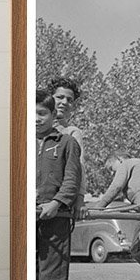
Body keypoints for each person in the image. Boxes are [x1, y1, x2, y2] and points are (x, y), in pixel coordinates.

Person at [34, 91, 81, 280]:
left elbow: (72, 179)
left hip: (55, 218)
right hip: (26, 218)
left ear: (54, 116)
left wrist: (57, 203)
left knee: (51, 277)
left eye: (42, 113)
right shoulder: (19, 141)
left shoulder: (66, 143)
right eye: (32, 114)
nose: (36, 119)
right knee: (26, 277)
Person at [87, 155, 140, 276]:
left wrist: (98, 207)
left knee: (139, 249)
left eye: (112, 168)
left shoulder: (125, 164)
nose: (113, 174)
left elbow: (116, 187)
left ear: (119, 159)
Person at [48, 76, 86, 217]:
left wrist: (80, 198)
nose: (64, 102)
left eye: (69, 100)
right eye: (60, 97)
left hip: (60, 203)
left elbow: (79, 166)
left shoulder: (71, 132)